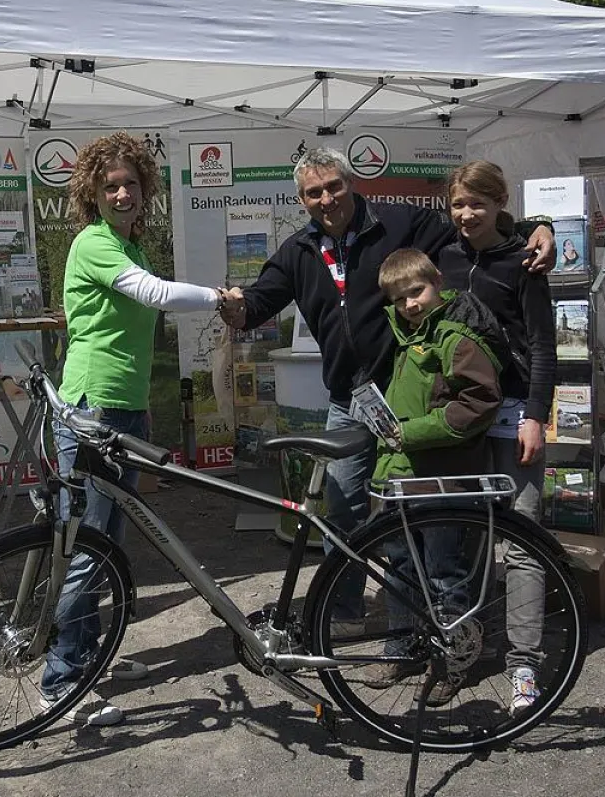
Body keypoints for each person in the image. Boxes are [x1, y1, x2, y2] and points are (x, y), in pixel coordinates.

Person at [219, 147, 553, 627]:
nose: (327, 198)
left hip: (412, 395)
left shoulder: (399, 223)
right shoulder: (298, 251)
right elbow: (257, 302)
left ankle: (437, 624)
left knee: (427, 518)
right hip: (351, 401)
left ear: (351, 183)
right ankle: (346, 612)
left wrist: (535, 227)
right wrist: (234, 306)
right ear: (302, 199)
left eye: (334, 186)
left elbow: (475, 230)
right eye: (314, 192)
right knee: (344, 512)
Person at [43, 131, 232, 727]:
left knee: (107, 542)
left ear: (145, 188)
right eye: (110, 186)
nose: (122, 193)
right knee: (87, 547)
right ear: (92, 194)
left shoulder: (130, 246)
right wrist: (217, 296)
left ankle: (89, 658)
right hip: (92, 408)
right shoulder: (94, 243)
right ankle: (62, 680)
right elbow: (151, 295)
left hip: (120, 408)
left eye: (130, 183)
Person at [436, 159, 558, 715]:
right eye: (458, 204)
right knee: (467, 539)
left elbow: (541, 345)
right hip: (461, 418)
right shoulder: (445, 256)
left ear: (499, 203)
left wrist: (536, 413)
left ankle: (524, 666)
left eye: (477, 204)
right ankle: (463, 650)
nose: (466, 214)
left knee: (523, 539)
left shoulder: (524, 261)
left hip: (512, 417)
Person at [366, 248, 504, 697]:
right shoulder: (405, 338)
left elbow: (478, 403)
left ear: (437, 282)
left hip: (443, 481)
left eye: (417, 292)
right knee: (402, 570)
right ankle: (404, 648)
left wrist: (412, 434)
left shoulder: (454, 338)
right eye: (399, 298)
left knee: (446, 572)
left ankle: (454, 658)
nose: (410, 304)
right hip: (402, 480)